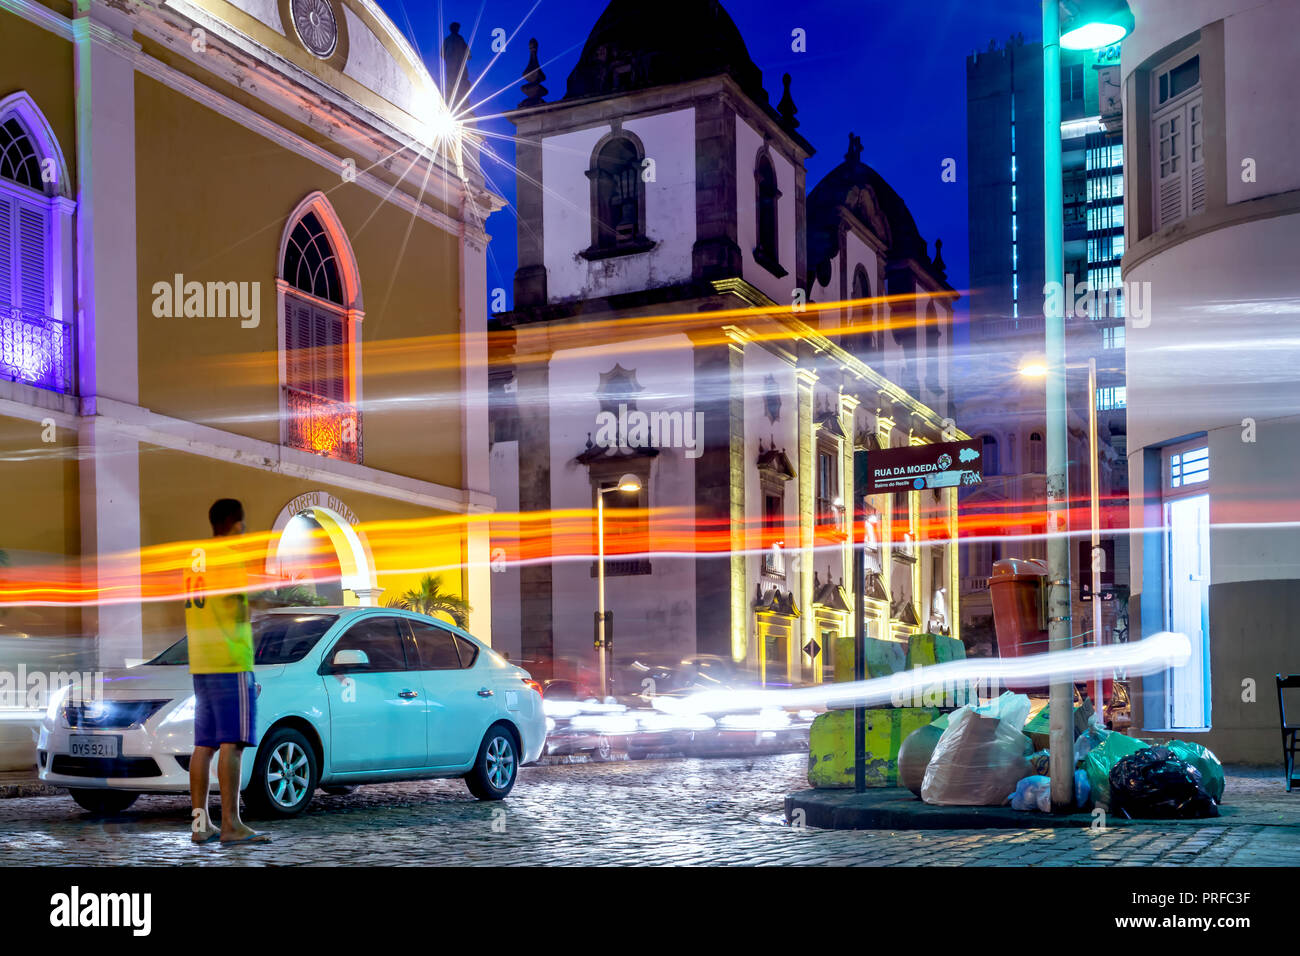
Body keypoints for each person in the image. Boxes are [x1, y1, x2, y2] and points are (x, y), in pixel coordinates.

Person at [185, 498, 269, 846]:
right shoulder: (231, 559)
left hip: (201, 662)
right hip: (230, 661)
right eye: (243, 522)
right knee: (232, 745)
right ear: (236, 523)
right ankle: (232, 824)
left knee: (203, 746)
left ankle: (200, 824)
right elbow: (240, 611)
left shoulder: (194, 561)